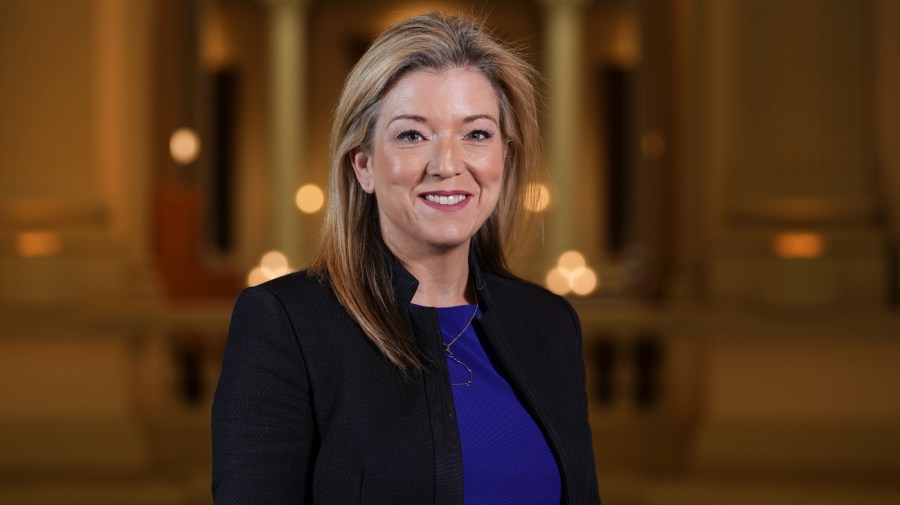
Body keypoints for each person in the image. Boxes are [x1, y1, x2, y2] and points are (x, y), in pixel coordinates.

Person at [212, 12, 600, 505]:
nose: (447, 165)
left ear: (505, 155)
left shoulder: (549, 324)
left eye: (476, 134)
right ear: (365, 165)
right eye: (412, 135)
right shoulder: (286, 326)